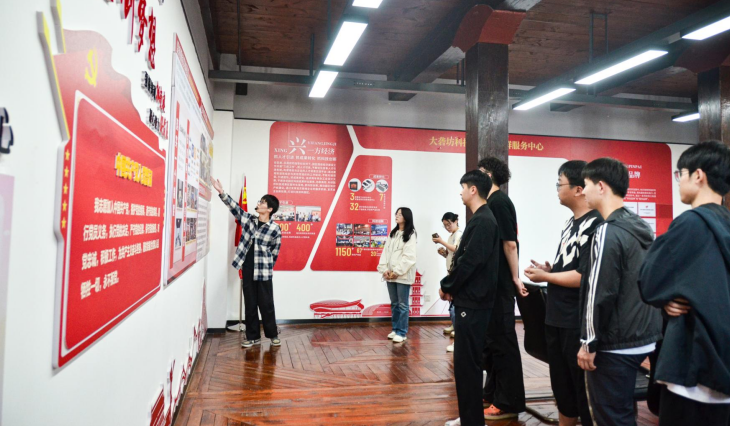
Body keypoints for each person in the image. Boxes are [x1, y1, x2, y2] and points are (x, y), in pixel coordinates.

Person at [638, 141, 730, 426]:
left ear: (698, 175)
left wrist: (667, 296)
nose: (678, 181)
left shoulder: (690, 223)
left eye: (681, 174)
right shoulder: (726, 223)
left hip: (693, 361)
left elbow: (649, 280)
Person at [577, 158, 662, 426]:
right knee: (623, 415)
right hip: (644, 337)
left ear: (601, 186)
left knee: (611, 418)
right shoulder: (640, 226)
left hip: (616, 343)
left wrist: (588, 342)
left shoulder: (607, 231)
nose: (583, 191)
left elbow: (600, 291)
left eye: (586, 184)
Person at [524, 160, 602, 426]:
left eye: (560, 184)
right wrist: (551, 270)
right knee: (562, 387)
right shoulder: (571, 223)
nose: (557, 189)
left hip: (576, 319)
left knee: (582, 390)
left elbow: (585, 276)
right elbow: (571, 268)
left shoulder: (596, 224)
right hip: (556, 315)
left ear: (579, 189)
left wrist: (547, 277)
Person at [441, 170, 500, 426]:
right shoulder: (480, 219)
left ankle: (472, 421)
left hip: (474, 304)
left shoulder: (484, 220)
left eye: (463, 187)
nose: (461, 192)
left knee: (468, 365)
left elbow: (470, 262)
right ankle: (469, 418)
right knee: (465, 366)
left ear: (473, 189)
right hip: (470, 302)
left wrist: (447, 285)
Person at [477, 157, 528, 420]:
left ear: (488, 175)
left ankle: (508, 402)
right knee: (493, 343)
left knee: (503, 343)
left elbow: (510, 243)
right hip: (493, 284)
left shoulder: (499, 202)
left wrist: (515, 278)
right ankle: (493, 392)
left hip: (501, 285)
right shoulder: (491, 202)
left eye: (479, 173)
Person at [212, 177, 283, 348]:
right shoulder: (249, 220)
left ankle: (272, 334)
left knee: (266, 304)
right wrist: (222, 192)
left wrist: (267, 266)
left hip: (264, 272)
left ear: (270, 209)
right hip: (248, 268)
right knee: (250, 304)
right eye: (260, 201)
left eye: (262, 202)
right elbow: (235, 208)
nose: (259, 203)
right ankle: (252, 337)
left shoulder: (274, 229)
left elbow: (275, 251)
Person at [377, 207, 417, 343]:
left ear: (406, 217)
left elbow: (409, 257)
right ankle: (395, 329)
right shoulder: (393, 233)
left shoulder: (411, 234)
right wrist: (384, 269)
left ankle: (402, 332)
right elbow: (385, 253)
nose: (397, 216)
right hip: (390, 275)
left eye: (400, 214)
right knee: (394, 304)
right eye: (396, 213)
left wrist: (397, 272)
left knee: (403, 305)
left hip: (402, 276)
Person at [433, 212, 463, 352]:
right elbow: (452, 254)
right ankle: (454, 325)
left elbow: (456, 249)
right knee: (452, 304)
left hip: (455, 273)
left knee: (454, 305)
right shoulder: (452, 235)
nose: (447, 227)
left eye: (449, 224)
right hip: (451, 272)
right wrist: (444, 253)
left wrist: (441, 242)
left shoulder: (459, 234)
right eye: (445, 225)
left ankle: (457, 330)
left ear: (456, 221)